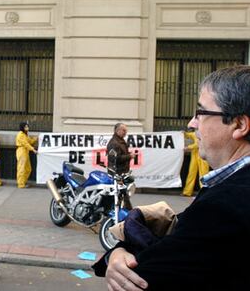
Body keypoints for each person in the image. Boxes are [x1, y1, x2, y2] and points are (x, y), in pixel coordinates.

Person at [94, 65, 250, 291]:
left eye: (201, 113)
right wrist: (118, 251)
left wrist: (116, 254)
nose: (191, 123)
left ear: (239, 124)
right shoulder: (226, 190)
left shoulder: (226, 205)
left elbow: (140, 275)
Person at [182, 128, 210, 196]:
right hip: (195, 156)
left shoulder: (205, 134)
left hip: (203, 156)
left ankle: (205, 192)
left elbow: (197, 144)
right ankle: (187, 192)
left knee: (203, 175)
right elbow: (189, 135)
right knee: (191, 173)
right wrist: (184, 133)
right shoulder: (195, 133)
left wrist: (188, 147)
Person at [15, 122, 37, 188]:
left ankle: (23, 181)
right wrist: (33, 149)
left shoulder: (25, 135)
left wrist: (35, 139)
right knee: (21, 168)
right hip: (21, 151)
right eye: (26, 127)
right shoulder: (21, 135)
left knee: (28, 169)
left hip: (25, 152)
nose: (27, 128)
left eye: (27, 127)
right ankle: (21, 184)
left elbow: (29, 142)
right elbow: (25, 144)